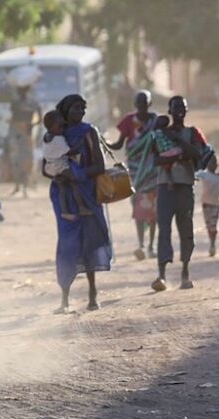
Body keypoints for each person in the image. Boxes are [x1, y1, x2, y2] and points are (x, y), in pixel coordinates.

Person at [43, 94, 112, 313]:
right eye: (75, 108)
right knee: (67, 244)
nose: (80, 112)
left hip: (86, 193)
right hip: (64, 197)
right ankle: (64, 298)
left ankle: (92, 294)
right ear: (65, 110)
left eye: (83, 108)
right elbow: (44, 167)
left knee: (89, 243)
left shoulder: (89, 132)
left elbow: (99, 166)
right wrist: (59, 176)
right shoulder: (53, 135)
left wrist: (77, 175)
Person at [151, 96, 210, 292]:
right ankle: (162, 275)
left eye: (183, 107)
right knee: (164, 230)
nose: (180, 111)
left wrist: (177, 141)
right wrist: (181, 155)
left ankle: (185, 272)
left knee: (186, 231)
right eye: (176, 107)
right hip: (164, 187)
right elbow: (156, 160)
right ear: (169, 110)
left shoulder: (191, 132)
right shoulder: (159, 133)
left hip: (185, 185)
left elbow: (198, 153)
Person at [109, 91, 159, 260]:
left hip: (152, 170)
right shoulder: (128, 120)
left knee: (153, 209)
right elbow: (118, 144)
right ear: (134, 104)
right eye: (139, 104)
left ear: (150, 104)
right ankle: (141, 245)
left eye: (144, 104)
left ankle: (151, 245)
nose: (141, 108)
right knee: (139, 207)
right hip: (136, 171)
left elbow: (161, 141)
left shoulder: (156, 120)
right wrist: (102, 142)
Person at [41, 110, 92, 220]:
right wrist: (82, 142)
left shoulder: (46, 137)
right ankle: (81, 207)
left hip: (50, 167)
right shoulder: (58, 139)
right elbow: (71, 152)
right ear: (51, 127)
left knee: (63, 188)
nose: (63, 129)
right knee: (74, 183)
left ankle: (65, 211)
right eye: (60, 127)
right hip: (60, 166)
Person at [6, 85, 41, 197]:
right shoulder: (14, 102)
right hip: (16, 133)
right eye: (19, 90)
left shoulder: (33, 102)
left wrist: (32, 125)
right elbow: (12, 116)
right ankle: (17, 185)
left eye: (23, 90)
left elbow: (39, 117)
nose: (21, 93)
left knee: (27, 159)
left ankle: (26, 186)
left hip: (27, 133)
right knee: (15, 159)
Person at [195, 157, 219, 257]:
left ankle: (212, 245)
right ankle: (212, 243)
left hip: (216, 204)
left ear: (216, 165)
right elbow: (195, 176)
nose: (212, 165)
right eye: (211, 163)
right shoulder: (204, 174)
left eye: (214, 164)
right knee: (209, 225)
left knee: (213, 225)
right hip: (205, 204)